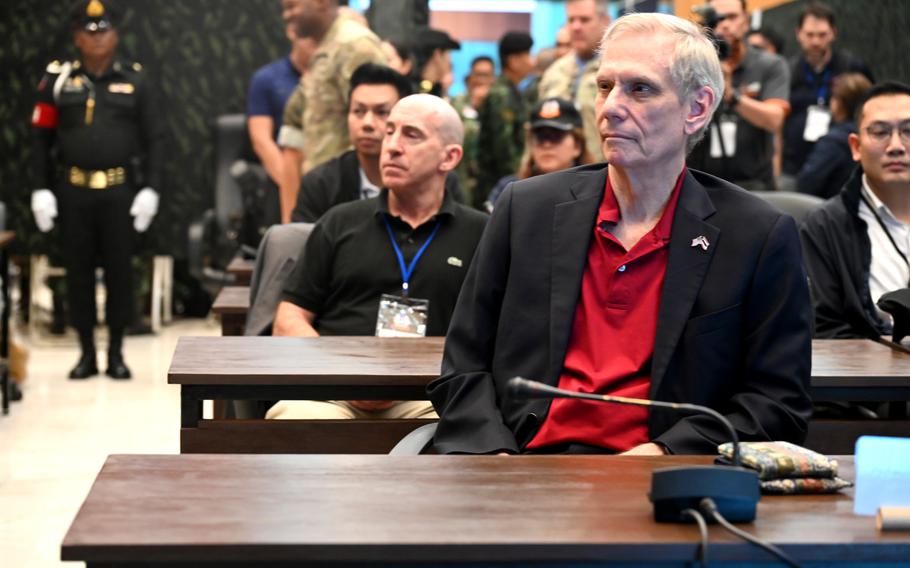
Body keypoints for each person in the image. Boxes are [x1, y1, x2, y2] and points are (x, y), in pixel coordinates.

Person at [427, 12, 812, 456]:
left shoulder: (757, 236)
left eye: (640, 89)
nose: (610, 107)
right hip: (524, 464)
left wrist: (666, 454)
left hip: (662, 482)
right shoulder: (525, 210)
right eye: (605, 86)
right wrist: (495, 457)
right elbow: (462, 368)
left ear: (697, 108)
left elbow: (777, 405)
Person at [267, 94, 488, 420]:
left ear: (450, 157)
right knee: (298, 426)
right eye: (390, 132)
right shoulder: (339, 221)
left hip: (428, 396)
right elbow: (288, 321)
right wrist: (346, 377)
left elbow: (494, 338)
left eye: (411, 135)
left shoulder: (481, 233)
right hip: (332, 394)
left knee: (449, 436)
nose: (393, 146)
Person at [30, 0, 163, 380]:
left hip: (120, 191)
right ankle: (86, 352)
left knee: (121, 273)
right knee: (79, 273)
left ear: (115, 35)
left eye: (104, 30)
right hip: (73, 192)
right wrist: (41, 189)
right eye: (89, 32)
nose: (97, 38)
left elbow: (155, 139)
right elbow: (40, 139)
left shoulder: (135, 79)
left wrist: (151, 190)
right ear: (77, 37)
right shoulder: (58, 80)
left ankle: (118, 351)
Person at [801, 82, 910, 340]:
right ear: (856, 147)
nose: (896, 146)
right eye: (880, 132)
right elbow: (825, 329)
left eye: (908, 131)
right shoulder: (823, 226)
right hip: (870, 375)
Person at [276, 0, 386, 222]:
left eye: (292, 7)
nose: (286, 16)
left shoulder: (355, 46)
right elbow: (298, 119)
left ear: (321, 3)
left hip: (352, 199)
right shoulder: (326, 48)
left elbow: (380, 122)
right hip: (322, 194)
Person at [687, 0, 790, 192]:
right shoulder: (691, 65)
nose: (725, 24)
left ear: (746, 21)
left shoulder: (770, 65)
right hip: (700, 183)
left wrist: (731, 95)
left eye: (732, 17)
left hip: (754, 185)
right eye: (717, 18)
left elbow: (775, 120)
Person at [782, 2, 874, 185]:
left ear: (833, 33)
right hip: (796, 166)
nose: (816, 41)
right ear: (798, 34)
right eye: (810, 35)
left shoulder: (852, 67)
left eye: (822, 35)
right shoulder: (788, 70)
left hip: (844, 165)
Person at [485, 97, 596, 210]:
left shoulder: (595, 189)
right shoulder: (508, 190)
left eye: (556, 136)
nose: (547, 145)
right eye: (540, 137)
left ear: (577, 145)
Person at [246, 21, 313, 202]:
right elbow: (261, 141)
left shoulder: (332, 81)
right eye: (310, 33)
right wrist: (293, 187)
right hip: (284, 179)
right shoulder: (267, 79)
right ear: (292, 31)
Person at [539, 0, 611, 161]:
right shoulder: (554, 72)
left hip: (603, 171)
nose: (576, 27)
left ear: (605, 21)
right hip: (558, 176)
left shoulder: (617, 70)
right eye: (571, 20)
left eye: (584, 20)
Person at [475, 31, 535, 209]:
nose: (531, 62)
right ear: (514, 61)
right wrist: (520, 179)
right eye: (527, 55)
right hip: (497, 184)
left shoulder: (512, 91)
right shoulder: (501, 95)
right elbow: (504, 148)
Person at [797, 72, 871, 198]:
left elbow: (806, 183)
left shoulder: (833, 142)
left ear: (840, 103)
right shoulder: (874, 135)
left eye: (833, 97)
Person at [451, 56, 495, 206]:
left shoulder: (498, 105)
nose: (481, 80)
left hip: (489, 177)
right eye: (478, 74)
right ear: (470, 77)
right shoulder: (457, 103)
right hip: (463, 175)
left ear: (493, 78)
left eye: (486, 75)